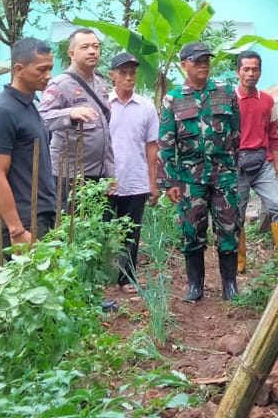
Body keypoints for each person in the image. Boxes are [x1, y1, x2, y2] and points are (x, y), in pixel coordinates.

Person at [160, 42, 242, 301]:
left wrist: (230, 166)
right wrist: (170, 181)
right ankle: (196, 287)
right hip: (189, 179)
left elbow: (236, 134)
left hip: (223, 176)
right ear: (184, 65)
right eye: (197, 60)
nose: (204, 64)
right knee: (191, 231)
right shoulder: (173, 99)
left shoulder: (225, 92)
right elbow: (166, 143)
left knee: (228, 228)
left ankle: (230, 285)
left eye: (206, 59)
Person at [0, 38, 58, 247]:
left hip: (41, 214)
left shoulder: (30, 104)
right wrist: (16, 230)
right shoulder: (3, 112)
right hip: (23, 220)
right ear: (19, 69)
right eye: (42, 69)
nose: (48, 76)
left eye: (50, 68)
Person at [37, 28, 113, 212]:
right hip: (69, 175)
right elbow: (41, 118)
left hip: (99, 175)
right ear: (71, 53)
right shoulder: (60, 84)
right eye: (85, 47)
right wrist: (69, 114)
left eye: (95, 46)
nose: (92, 51)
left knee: (95, 232)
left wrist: (111, 174)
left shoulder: (101, 84)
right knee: (69, 231)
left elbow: (105, 132)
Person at [231, 50, 278, 271]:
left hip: (263, 163)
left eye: (255, 69)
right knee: (236, 214)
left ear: (260, 72)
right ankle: (239, 265)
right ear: (238, 72)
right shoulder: (229, 102)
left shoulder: (268, 102)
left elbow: (273, 136)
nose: (250, 74)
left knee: (277, 207)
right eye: (246, 69)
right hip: (236, 165)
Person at [105, 52, 159, 290]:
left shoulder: (146, 107)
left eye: (132, 73)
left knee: (131, 234)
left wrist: (153, 183)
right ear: (112, 76)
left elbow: (151, 146)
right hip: (105, 181)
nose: (129, 77)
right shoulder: (102, 105)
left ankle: (126, 279)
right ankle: (101, 280)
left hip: (136, 179)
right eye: (123, 73)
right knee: (102, 231)